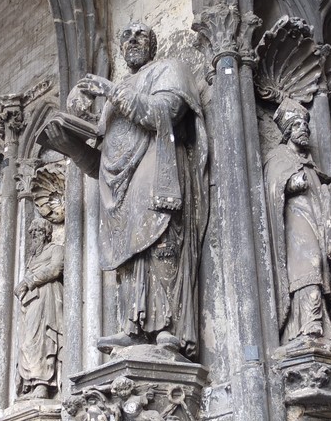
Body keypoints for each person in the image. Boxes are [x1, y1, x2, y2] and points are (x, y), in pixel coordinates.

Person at [47, 22, 208, 356]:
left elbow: (162, 113)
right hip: (121, 193)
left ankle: (168, 328)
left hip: (157, 174)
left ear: (153, 43)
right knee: (128, 259)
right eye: (125, 36)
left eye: (140, 34)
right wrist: (72, 148)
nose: (132, 40)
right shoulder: (113, 100)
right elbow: (101, 164)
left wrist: (110, 91)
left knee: (161, 244)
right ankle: (133, 328)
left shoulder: (168, 70)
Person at [264, 98, 331, 343]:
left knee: (321, 265)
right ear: (288, 131)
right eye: (298, 125)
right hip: (295, 223)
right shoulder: (278, 158)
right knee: (308, 266)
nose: (304, 129)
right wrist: (291, 183)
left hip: (314, 219)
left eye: (305, 125)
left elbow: (319, 190)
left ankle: (323, 323)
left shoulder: (310, 164)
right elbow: (273, 187)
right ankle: (305, 322)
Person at [15, 218, 64, 398]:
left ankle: (43, 384)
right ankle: (32, 382)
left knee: (43, 338)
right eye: (32, 233)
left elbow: (56, 268)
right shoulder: (32, 258)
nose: (33, 236)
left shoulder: (56, 249)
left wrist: (28, 281)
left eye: (37, 232)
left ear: (45, 234)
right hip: (30, 302)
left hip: (47, 298)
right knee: (27, 342)